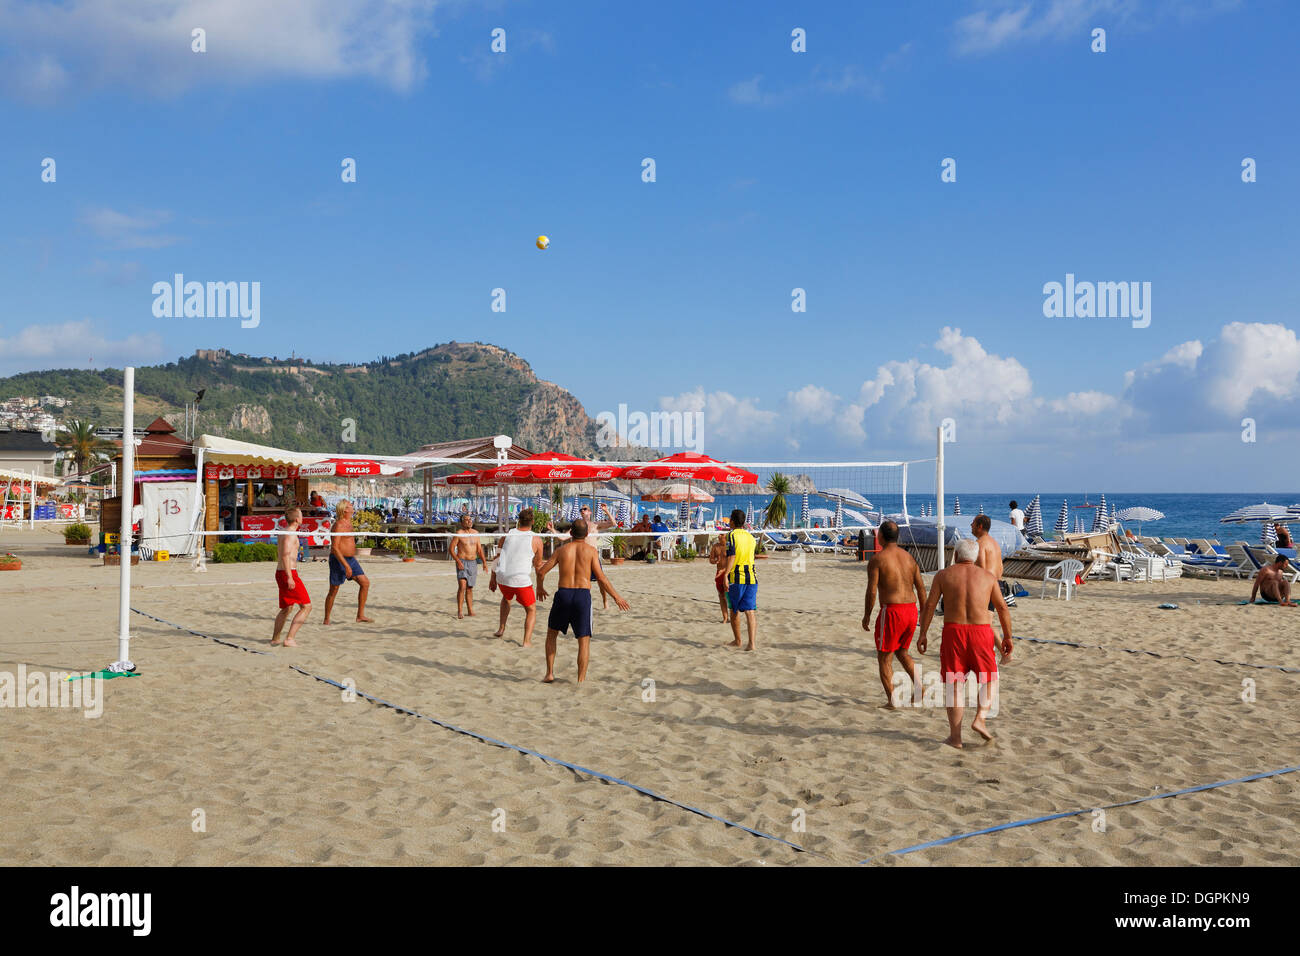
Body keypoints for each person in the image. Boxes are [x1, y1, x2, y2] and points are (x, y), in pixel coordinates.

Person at [918, 538, 1013, 749]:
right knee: (990, 678)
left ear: (956, 555)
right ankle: (980, 717)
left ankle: (955, 738)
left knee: (954, 686)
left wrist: (923, 633)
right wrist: (1007, 637)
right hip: (981, 632)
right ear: (976, 556)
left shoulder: (943, 575)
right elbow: (1002, 608)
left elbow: (930, 606)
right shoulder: (988, 577)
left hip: (954, 632)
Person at [536, 518, 630, 683]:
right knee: (583, 641)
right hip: (582, 595)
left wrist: (540, 587)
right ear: (587, 534)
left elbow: (541, 572)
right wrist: (616, 597)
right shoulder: (591, 551)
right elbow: (601, 578)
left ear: (570, 533)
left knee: (552, 635)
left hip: (563, 594)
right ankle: (580, 680)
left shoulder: (561, 550)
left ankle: (549, 673)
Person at [863, 520, 925, 707]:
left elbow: (872, 591)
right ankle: (919, 687)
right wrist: (922, 612)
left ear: (880, 536)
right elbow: (921, 588)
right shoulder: (909, 558)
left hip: (892, 611)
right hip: (911, 610)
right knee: (902, 652)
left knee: (884, 657)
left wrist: (867, 615)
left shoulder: (878, 559)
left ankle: (892, 701)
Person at [489, 507, 546, 646]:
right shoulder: (536, 539)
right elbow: (538, 566)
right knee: (531, 609)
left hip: (502, 578)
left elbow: (496, 557)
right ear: (532, 521)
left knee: (506, 598)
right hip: (520, 580)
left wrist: (492, 578)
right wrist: (540, 586)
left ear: (518, 521)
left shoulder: (508, 534)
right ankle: (526, 641)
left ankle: (501, 628)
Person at [324, 500, 373, 624]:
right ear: (345, 509)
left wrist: (351, 560)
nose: (352, 506)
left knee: (365, 583)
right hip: (338, 559)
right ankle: (326, 619)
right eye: (350, 505)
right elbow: (334, 547)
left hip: (351, 559)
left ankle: (360, 616)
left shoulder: (349, 523)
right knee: (334, 590)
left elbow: (348, 542)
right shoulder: (339, 525)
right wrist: (346, 565)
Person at [272, 506, 311, 646]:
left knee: (287, 608)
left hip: (282, 572)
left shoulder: (285, 532)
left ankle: (275, 638)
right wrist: (289, 577)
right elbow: (285, 555)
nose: (302, 517)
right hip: (288, 572)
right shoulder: (290, 533)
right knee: (306, 606)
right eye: (301, 515)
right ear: (296, 519)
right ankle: (290, 638)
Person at [722, 509, 758, 651]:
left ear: (732, 521)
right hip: (752, 577)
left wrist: (725, 574)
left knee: (734, 610)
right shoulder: (750, 537)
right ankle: (752, 644)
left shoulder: (731, 535)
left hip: (736, 578)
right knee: (750, 611)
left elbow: (732, 557)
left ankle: (738, 641)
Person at [971, 514, 1016, 617]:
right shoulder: (994, 543)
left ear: (980, 526)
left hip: (987, 585)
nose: (971, 526)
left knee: (981, 621)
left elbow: (981, 569)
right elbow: (1000, 566)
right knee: (987, 621)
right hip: (999, 584)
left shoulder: (979, 544)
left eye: (973, 523)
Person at [452, 513, 486, 618]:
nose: (469, 521)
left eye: (470, 519)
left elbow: (479, 549)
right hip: (462, 561)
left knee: (470, 588)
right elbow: (451, 549)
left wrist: (484, 562)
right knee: (462, 586)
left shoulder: (476, 533)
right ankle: (460, 611)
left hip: (473, 562)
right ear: (462, 522)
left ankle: (470, 610)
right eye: (466, 520)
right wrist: (458, 561)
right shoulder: (459, 533)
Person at [707, 534, 730, 623]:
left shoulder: (729, 546)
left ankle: (734, 616)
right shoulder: (715, 546)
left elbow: (733, 560)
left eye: (722, 534)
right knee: (721, 595)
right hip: (719, 572)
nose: (719, 536)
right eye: (719, 534)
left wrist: (724, 571)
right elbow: (711, 560)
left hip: (728, 572)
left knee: (731, 596)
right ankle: (725, 618)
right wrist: (715, 561)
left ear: (726, 536)